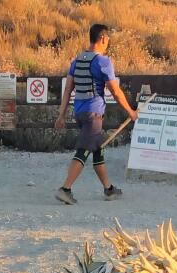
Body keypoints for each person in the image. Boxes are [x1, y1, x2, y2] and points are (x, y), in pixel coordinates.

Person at [54, 23, 138, 204]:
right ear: (102, 38)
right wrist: (130, 111)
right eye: (108, 39)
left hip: (79, 113)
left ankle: (109, 189)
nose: (108, 43)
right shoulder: (103, 61)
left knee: (97, 149)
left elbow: (68, 88)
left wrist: (61, 115)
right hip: (93, 114)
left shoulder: (76, 60)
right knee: (84, 150)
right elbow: (115, 91)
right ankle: (65, 189)